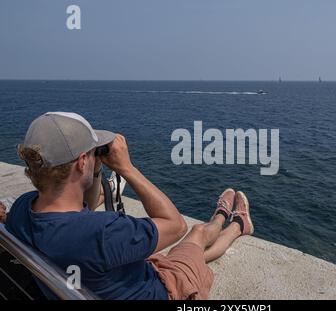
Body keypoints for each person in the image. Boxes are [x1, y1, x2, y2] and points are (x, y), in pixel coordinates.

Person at [4, 112, 254, 300]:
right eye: (92, 153)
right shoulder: (105, 233)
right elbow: (175, 226)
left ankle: (224, 224)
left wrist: (96, 169)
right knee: (196, 234)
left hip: (105, 278)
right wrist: (126, 168)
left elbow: (84, 212)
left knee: (180, 255)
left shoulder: (22, 211)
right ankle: (233, 223)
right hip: (165, 289)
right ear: (81, 162)